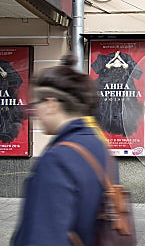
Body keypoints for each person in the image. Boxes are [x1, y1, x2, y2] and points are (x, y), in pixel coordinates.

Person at [12, 55, 116, 246]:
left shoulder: (56, 160)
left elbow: (43, 238)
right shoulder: (98, 145)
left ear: (51, 104)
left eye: (36, 104)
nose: (35, 113)